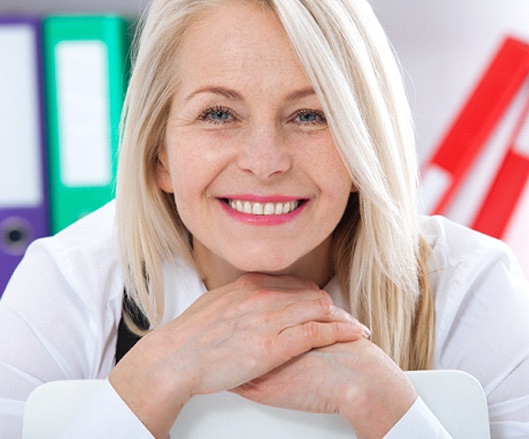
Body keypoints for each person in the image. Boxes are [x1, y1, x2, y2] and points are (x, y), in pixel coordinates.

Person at [1, 0, 528, 437]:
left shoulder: (467, 287)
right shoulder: (68, 283)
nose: (264, 160)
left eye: (310, 115)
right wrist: (155, 379)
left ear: (361, 148)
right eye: (219, 114)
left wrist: (381, 403)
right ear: (160, 153)